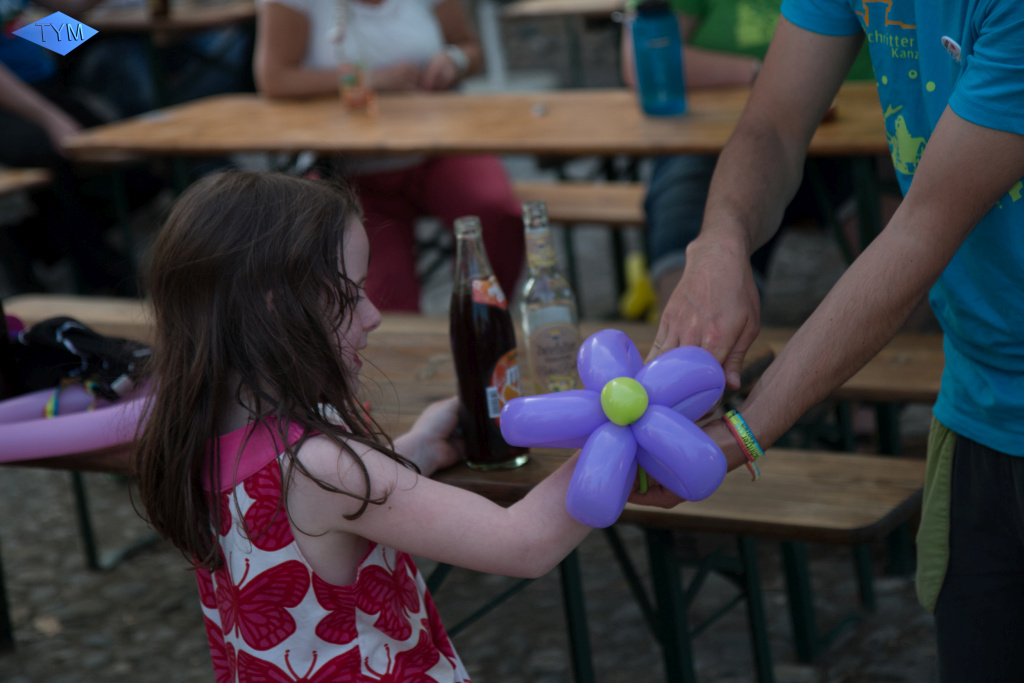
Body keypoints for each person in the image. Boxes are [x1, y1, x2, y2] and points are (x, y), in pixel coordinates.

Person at [633, 1, 1024, 679]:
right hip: (981, 401)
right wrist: (721, 241)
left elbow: (920, 232)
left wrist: (743, 432)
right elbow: (773, 126)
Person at [133, 172, 591, 680]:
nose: (373, 315)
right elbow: (523, 543)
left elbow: (317, 520)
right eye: (351, 294)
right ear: (275, 307)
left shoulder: (199, 435)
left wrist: (420, 449)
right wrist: (621, 439)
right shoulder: (325, 468)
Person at [253, 0, 525, 311]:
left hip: (439, 147)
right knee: (384, 301)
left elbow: (471, 49)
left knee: (496, 213)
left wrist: (455, 60)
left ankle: (483, 322)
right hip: (351, 167)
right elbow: (273, 78)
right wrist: (367, 78)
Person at [620, 0, 875, 307]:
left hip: (851, 140)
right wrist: (760, 73)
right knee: (694, 260)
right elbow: (642, 57)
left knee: (897, 244)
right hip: (708, 144)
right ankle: (691, 339)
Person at [0, 0, 138, 295]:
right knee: (55, 151)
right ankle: (97, 273)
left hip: (42, 79)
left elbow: (65, 9)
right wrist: (50, 117)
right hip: (14, 104)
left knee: (124, 146)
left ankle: (45, 243)